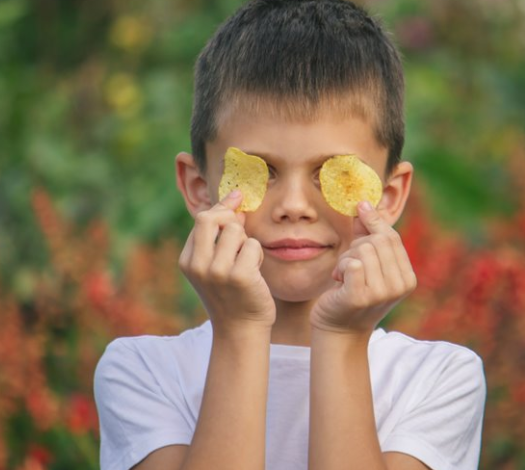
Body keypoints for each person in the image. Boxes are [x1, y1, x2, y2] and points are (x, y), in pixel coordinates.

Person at [93, 0, 486, 469]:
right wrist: (239, 331)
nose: (295, 206)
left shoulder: (437, 379)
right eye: (261, 173)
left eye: (331, 175)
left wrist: (340, 337)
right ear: (200, 189)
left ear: (388, 196)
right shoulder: (144, 374)